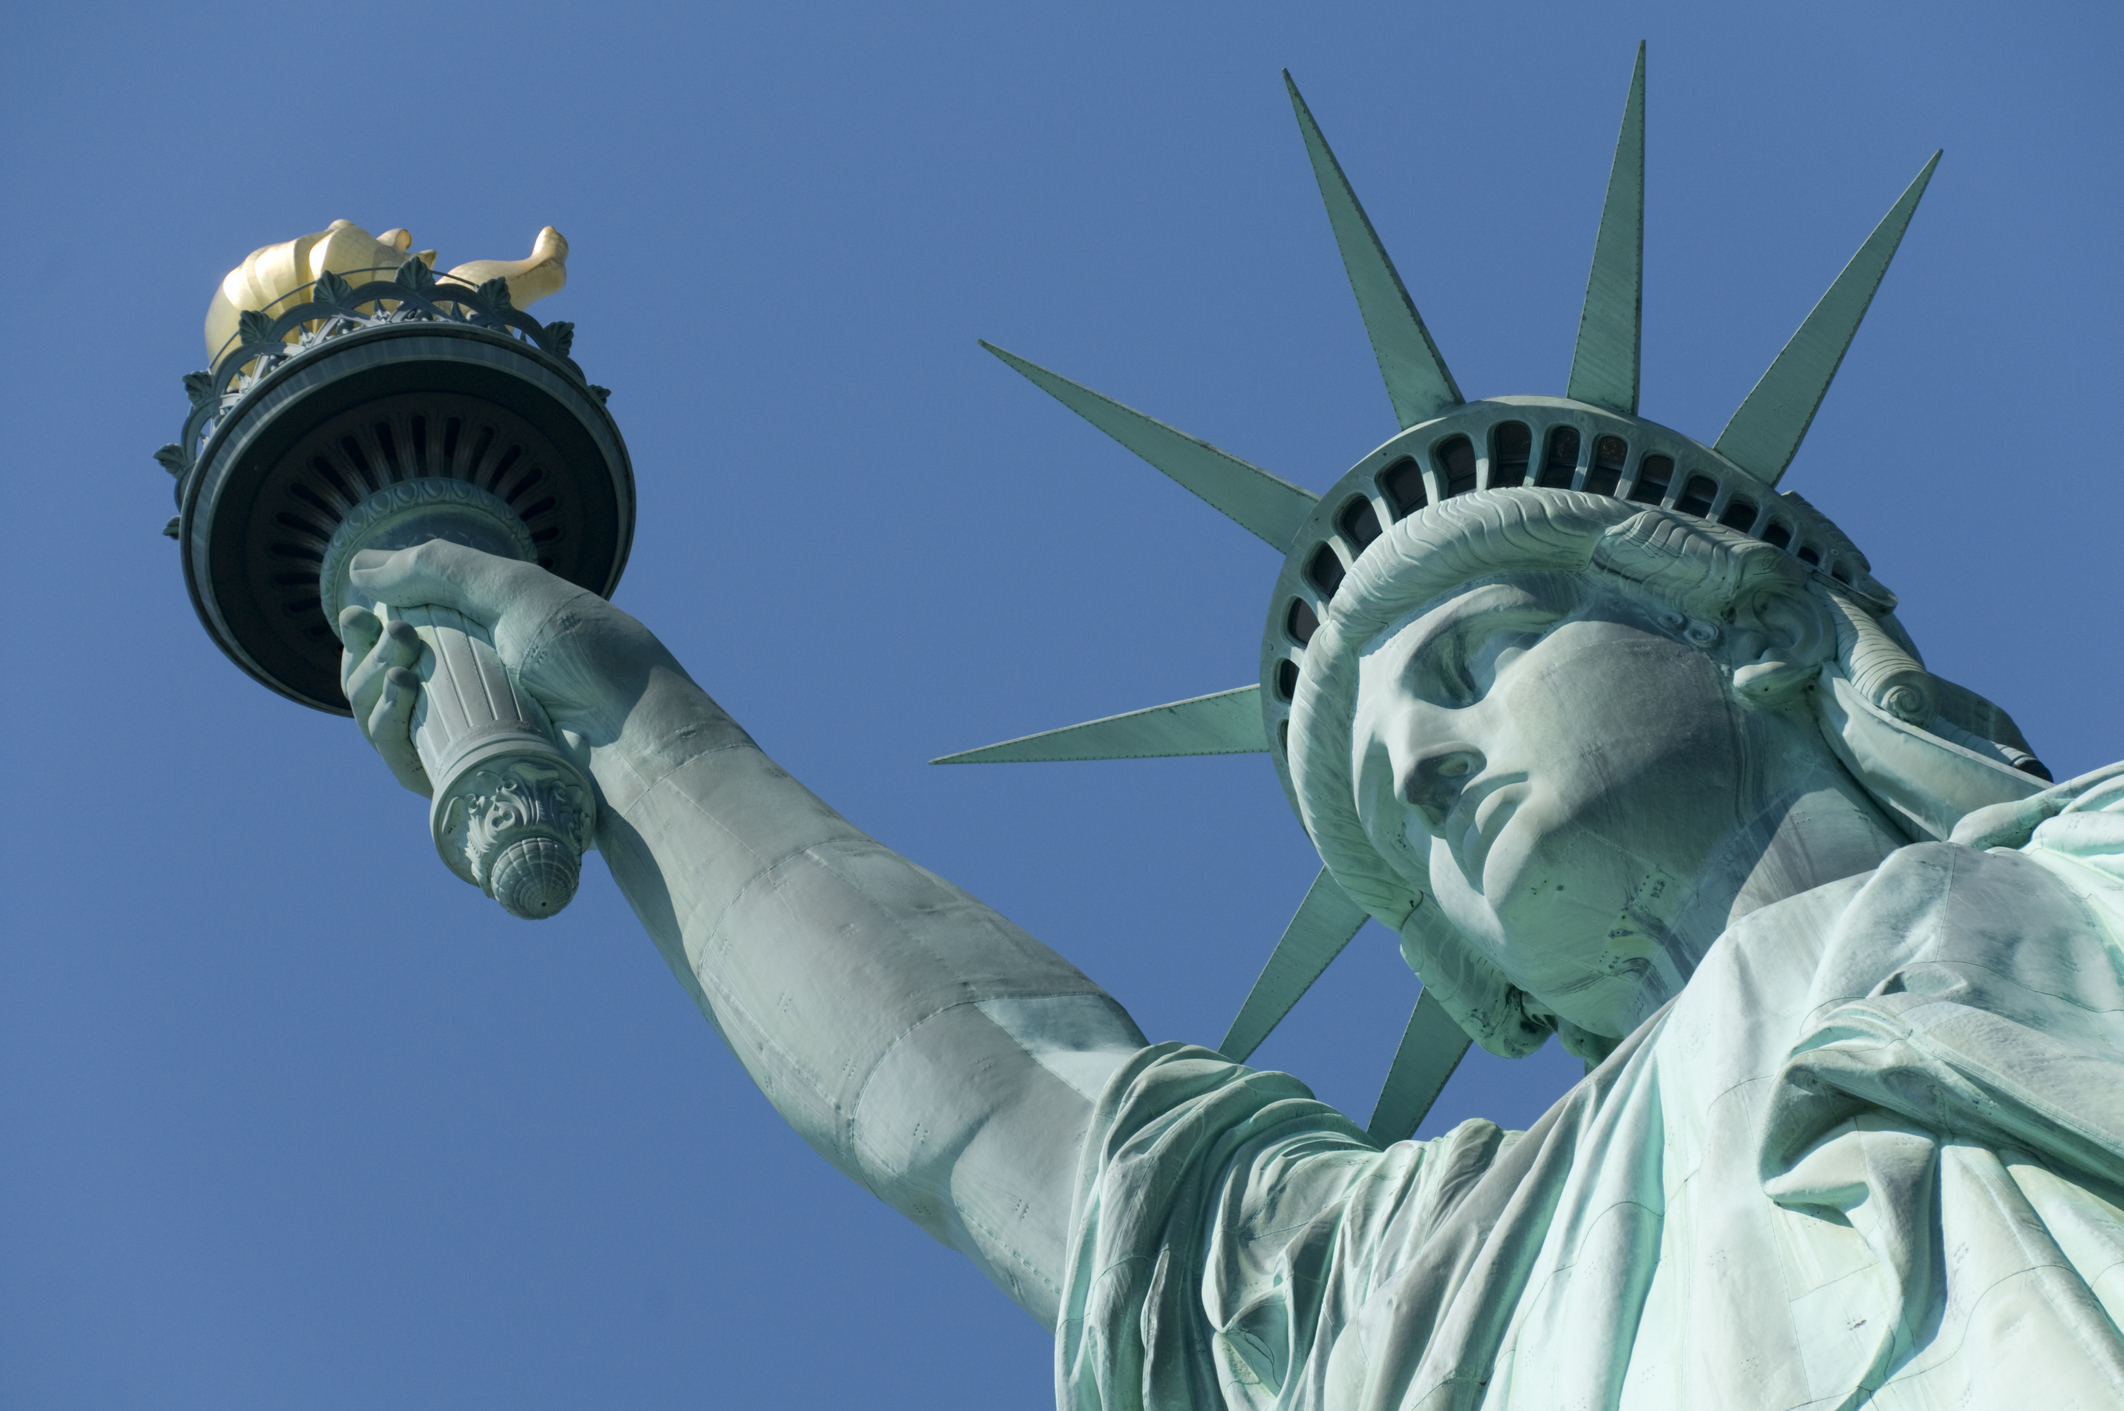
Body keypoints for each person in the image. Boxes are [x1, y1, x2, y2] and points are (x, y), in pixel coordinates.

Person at [335, 480, 2124, 1409]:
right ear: (1476, 982)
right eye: (1380, 788)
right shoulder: (1434, 1286)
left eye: (1473, 657)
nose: (1422, 759)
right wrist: (647, 735)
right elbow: (1005, 1117)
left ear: (1757, 637)